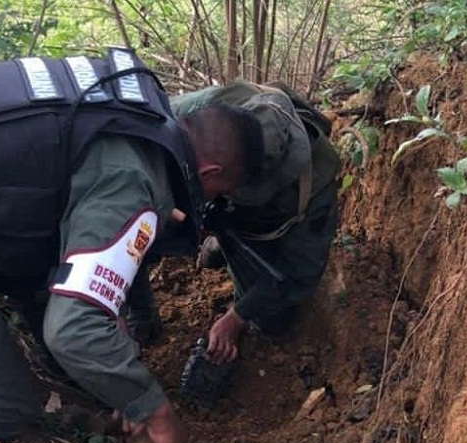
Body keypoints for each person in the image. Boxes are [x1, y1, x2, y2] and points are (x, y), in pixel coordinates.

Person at [0, 47, 264, 443]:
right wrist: (156, 413)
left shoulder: (135, 112)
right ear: (211, 173)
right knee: (8, 412)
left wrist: (113, 353)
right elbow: (72, 332)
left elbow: (48, 231)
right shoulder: (138, 183)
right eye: (221, 193)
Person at [127, 80, 341, 366]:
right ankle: (141, 314)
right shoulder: (187, 116)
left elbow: (298, 275)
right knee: (139, 225)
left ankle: (222, 241)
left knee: (273, 321)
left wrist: (237, 316)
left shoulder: (313, 189)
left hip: (259, 224)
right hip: (193, 183)